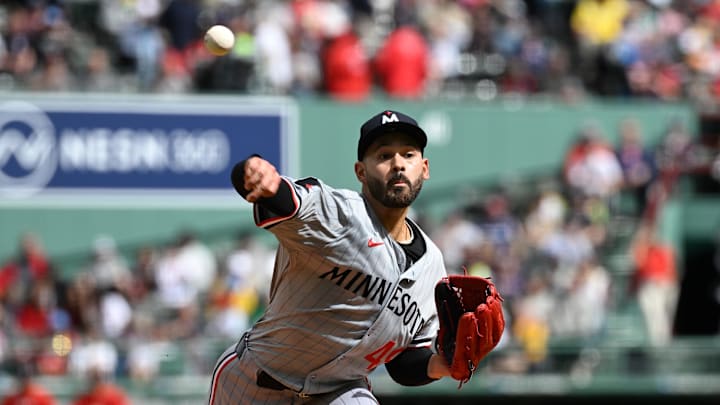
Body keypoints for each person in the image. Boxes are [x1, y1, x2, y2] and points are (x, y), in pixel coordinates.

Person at [208, 110, 453, 404]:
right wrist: (252, 173)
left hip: (339, 391)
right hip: (255, 380)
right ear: (361, 171)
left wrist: (442, 366)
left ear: (424, 168)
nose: (398, 164)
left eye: (408, 154)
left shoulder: (433, 265)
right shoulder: (339, 213)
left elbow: (403, 362)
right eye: (384, 155)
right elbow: (284, 199)